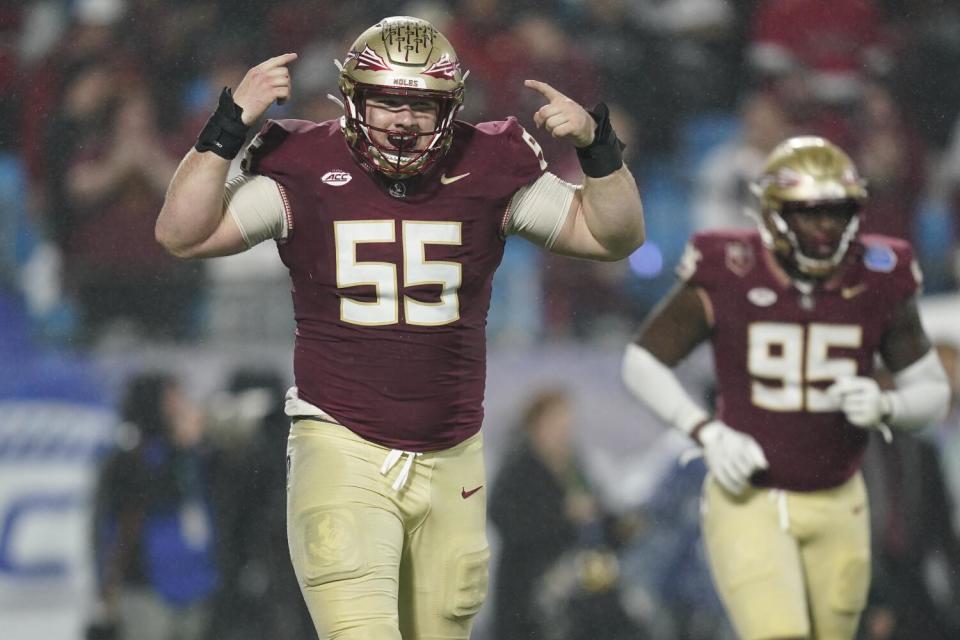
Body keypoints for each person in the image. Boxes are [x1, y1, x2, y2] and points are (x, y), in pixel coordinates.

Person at [155, 15, 644, 640]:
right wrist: (226, 130)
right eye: (388, 101)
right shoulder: (303, 162)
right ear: (353, 100)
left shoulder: (488, 160)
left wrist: (598, 150)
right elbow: (181, 233)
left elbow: (612, 235)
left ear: (452, 106)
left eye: (423, 104)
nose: (405, 120)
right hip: (341, 442)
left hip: (454, 451)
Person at [620, 135, 950, 640]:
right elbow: (642, 361)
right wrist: (706, 431)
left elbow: (932, 392)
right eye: (809, 213)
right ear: (773, 214)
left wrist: (889, 404)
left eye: (837, 212)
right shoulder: (728, 267)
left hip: (840, 496)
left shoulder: (880, 274)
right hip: (751, 496)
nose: (825, 228)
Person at [89, 372, 220, 640]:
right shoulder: (129, 458)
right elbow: (111, 525)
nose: (181, 407)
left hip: (196, 581)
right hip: (145, 585)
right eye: (172, 400)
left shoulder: (197, 454)